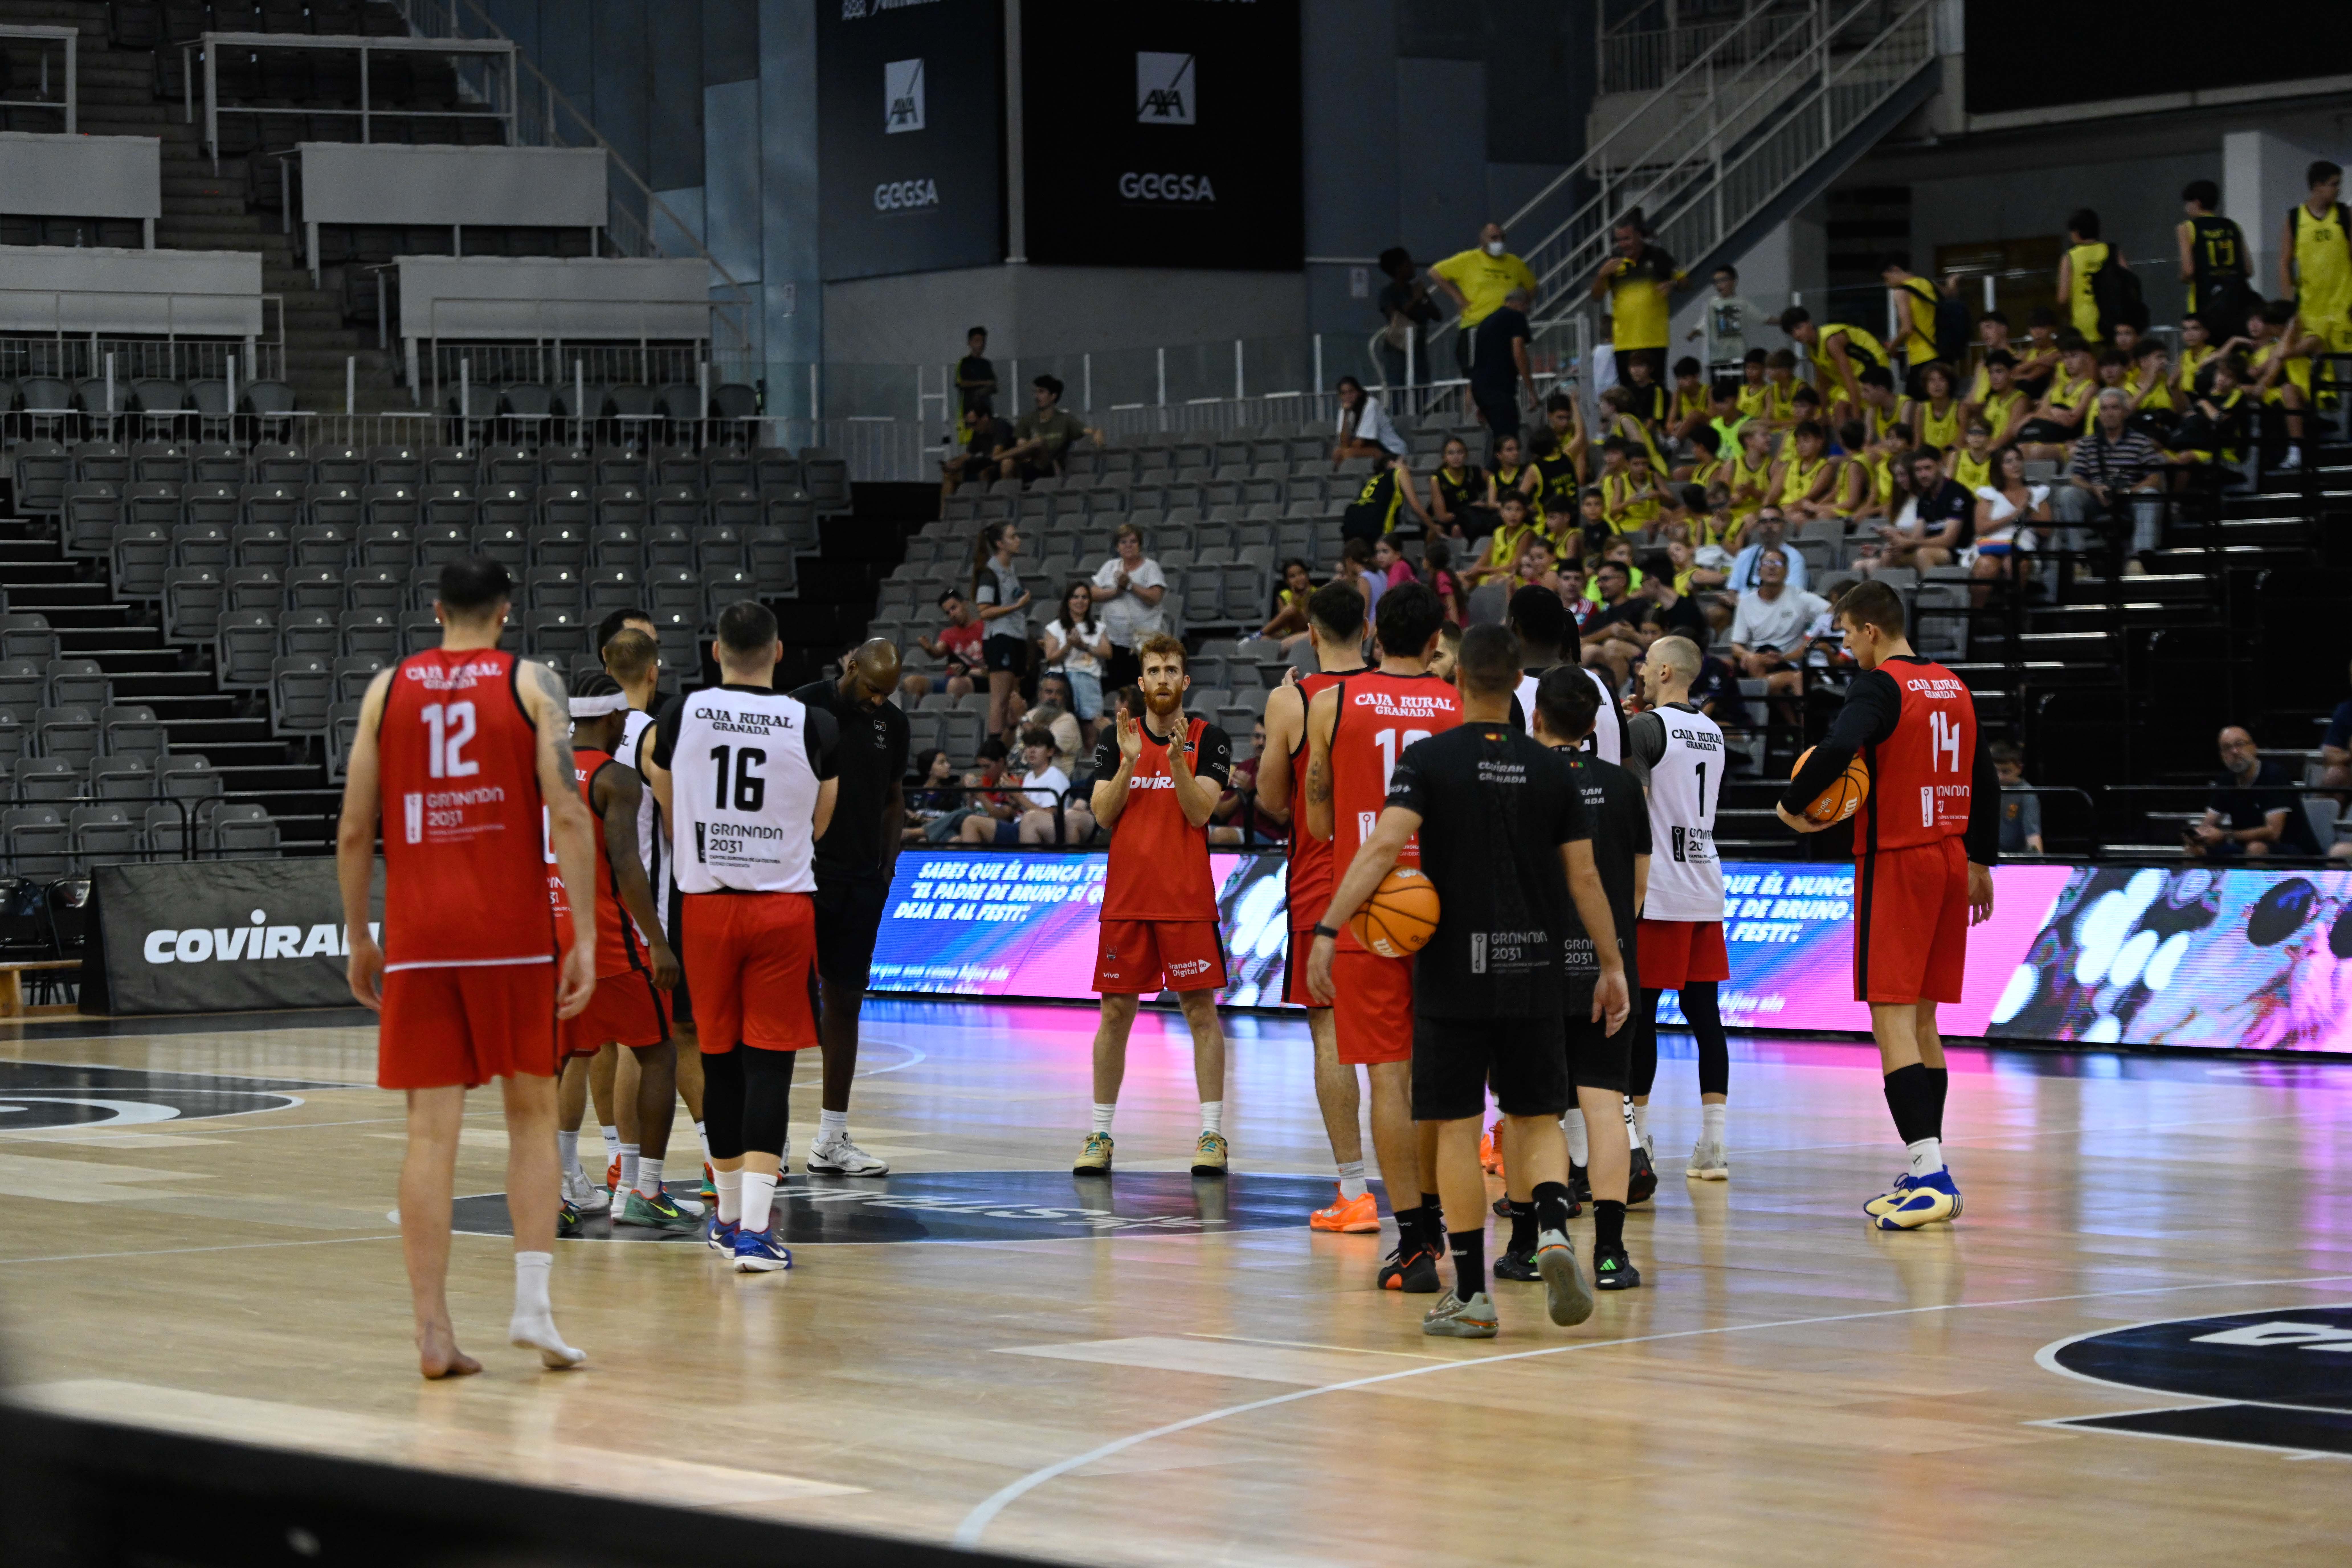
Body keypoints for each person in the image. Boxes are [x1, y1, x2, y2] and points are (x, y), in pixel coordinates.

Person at [1308, 625, 1629, 1337]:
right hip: (1538, 968)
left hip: (1455, 969)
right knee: (1533, 1116)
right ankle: (1548, 1224)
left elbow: (1384, 846)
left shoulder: (1429, 759)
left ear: (1458, 686)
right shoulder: (1553, 771)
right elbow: (1585, 879)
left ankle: (1474, 1296)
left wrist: (1329, 929)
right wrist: (1610, 966)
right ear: (1521, 686)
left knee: (1455, 1130)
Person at [336, 556, 596, 1378]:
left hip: (421, 936)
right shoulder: (532, 685)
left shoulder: (388, 688)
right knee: (532, 1115)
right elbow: (568, 812)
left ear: (438, 609)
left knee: (428, 1134)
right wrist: (583, 934)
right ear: (506, 614)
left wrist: (360, 937)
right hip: (512, 931)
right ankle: (533, 1308)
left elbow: (353, 827)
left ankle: (433, 1333)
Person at [1775, 580, 1996, 1231]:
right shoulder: (1954, 684)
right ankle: (1928, 1163)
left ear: (1871, 629)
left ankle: (1929, 1173)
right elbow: (1984, 775)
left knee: (1891, 1021)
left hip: (1898, 860)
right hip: (1952, 857)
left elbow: (1839, 749)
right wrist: (1981, 858)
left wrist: (1792, 805)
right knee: (1924, 1022)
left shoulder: (1880, 686)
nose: (1845, 646)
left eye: (1845, 633)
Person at [642, 601, 840, 1273]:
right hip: (782, 908)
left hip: (706, 909)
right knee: (769, 1067)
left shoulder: (678, 715)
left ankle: (727, 1220)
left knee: (720, 1062)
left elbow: (665, 796)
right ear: (779, 652)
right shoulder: (814, 722)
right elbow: (821, 821)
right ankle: (754, 1231)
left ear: (716, 650)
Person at [1301, 583, 1463, 1295]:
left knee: (1389, 1079)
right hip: (1448, 908)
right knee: (1447, 1080)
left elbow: (1313, 814)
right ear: (1436, 641)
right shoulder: (1459, 704)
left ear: (1372, 633)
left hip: (1370, 908)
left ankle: (1416, 1240)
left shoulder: (1331, 703)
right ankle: (1480, 1225)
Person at [1077, 635, 1234, 1175]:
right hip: (1126, 900)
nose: (1164, 678)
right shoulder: (1114, 736)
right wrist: (1126, 765)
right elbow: (1102, 813)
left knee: (1201, 1014)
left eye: (1172, 670)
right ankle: (1099, 1133)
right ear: (1141, 682)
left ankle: (1212, 1135)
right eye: (1154, 671)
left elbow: (1199, 813)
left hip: (1186, 900)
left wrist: (1179, 767)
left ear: (1185, 681)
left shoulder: (1209, 738)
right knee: (1115, 1014)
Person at [554, 671, 690, 1238]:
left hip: (551, 934)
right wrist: (658, 940)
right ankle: (646, 1190)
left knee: (566, 1056)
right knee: (658, 1052)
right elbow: (628, 866)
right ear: (614, 719)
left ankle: (559, 1188)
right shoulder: (616, 777)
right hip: (606, 936)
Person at [1256, 581, 1375, 1231]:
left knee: (1329, 1032)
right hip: (1398, 876)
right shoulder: (1398, 695)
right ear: (1367, 626)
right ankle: (1429, 1194)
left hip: (1322, 877)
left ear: (1307, 629)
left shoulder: (1292, 700)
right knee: (1399, 1040)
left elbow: (1274, 802)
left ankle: (1355, 1193)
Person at [1523, 665, 1644, 1283]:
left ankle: (1533, 1239)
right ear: (1597, 723)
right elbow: (1639, 888)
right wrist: (1611, 954)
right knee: (1605, 1104)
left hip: (1533, 965)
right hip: (1607, 962)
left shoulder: (1519, 780)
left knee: (1535, 1111)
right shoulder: (1624, 787)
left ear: (1536, 716)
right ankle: (1612, 1253)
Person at [787, 639, 908, 1179]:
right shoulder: (799, 707)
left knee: (845, 1003)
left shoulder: (894, 724)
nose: (879, 701)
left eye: (887, 694)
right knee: (786, 1007)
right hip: (802, 878)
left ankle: (831, 1138)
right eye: (872, 689)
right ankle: (766, 1139)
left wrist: (887, 869)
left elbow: (894, 797)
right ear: (850, 665)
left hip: (861, 881)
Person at [1619, 635, 1730, 1183]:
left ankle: (1637, 1140)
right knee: (1705, 1015)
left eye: (1644, 663)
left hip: (1658, 888)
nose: (1639, 671)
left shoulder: (1645, 727)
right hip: (1705, 883)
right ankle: (1713, 1145)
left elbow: (1636, 814)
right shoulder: (1713, 730)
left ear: (1664, 669)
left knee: (1641, 1014)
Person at [1504, 583, 1625, 763]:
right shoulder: (1601, 686)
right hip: (1608, 789)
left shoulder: (1512, 693)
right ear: (1563, 628)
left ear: (1513, 627)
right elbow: (1627, 767)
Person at [2187, 726, 2323, 860]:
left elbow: (2273, 833)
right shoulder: (2226, 781)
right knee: (2195, 850)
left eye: (2240, 744)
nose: (2235, 752)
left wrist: (2226, 836)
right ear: (2222, 756)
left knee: (2256, 849)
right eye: (2228, 748)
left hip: (2292, 850)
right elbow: (2208, 823)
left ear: (2254, 748)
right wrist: (2198, 835)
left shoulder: (2274, 776)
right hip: (2244, 846)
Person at [1428, 221, 1539, 380]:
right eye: (1494, 238)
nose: (1499, 242)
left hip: (1506, 329)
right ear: (1482, 241)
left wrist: (1523, 304)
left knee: (1506, 377)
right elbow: (1435, 273)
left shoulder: (1515, 263)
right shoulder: (1468, 259)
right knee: (1475, 379)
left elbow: (1533, 287)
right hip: (1477, 327)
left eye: (1502, 238)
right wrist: (1459, 298)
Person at [1591, 209, 1679, 387]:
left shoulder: (1658, 257)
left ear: (1639, 236)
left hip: (1654, 340)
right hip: (1624, 343)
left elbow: (1685, 282)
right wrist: (1601, 276)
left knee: (1656, 393)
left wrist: (1673, 284)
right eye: (1619, 240)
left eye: (1627, 239)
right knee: (1628, 396)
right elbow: (1596, 297)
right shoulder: (1613, 263)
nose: (1623, 244)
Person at [1728, 547, 1826, 703]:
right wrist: (1748, 655)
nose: (1773, 567)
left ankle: (1763, 716)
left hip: (1787, 661)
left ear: (1787, 572)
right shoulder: (1746, 603)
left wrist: (1811, 639)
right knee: (1745, 662)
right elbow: (1736, 645)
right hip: (1758, 659)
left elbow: (1833, 613)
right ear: (1759, 571)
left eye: (1779, 563)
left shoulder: (1800, 598)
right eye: (1768, 563)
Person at [961, 725, 1087, 843]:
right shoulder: (1029, 776)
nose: (1032, 751)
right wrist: (1013, 799)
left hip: (1035, 831)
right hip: (1018, 826)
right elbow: (1021, 808)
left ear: (1050, 752)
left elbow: (1050, 816)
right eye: (1028, 746)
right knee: (957, 839)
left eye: (1038, 746)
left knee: (971, 822)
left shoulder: (1055, 776)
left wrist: (1018, 794)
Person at [1866, 447, 1975, 574]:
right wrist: (1896, 536)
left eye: (1928, 468)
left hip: (1959, 551)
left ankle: (1936, 593)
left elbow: (1948, 540)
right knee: (1889, 555)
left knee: (1923, 554)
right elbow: (1917, 536)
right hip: (1932, 548)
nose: (1923, 475)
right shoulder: (1924, 498)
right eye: (1918, 470)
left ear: (1940, 466)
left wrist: (1910, 542)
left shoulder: (1956, 493)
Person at [2279, 160, 2350, 354]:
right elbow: (2285, 265)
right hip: (2310, 312)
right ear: (2319, 186)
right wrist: (2290, 307)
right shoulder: (2295, 218)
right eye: (2334, 184)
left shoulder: (2345, 215)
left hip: (2344, 308)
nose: (2338, 190)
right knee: (2315, 373)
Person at [970, 521, 1031, 739]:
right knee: (1000, 699)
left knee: (1013, 698)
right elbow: (984, 611)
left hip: (1016, 637)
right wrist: (1017, 606)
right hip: (1000, 639)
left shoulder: (1010, 571)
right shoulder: (990, 574)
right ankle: (993, 748)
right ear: (1000, 544)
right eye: (1013, 536)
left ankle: (1008, 748)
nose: (1018, 540)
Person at [1091, 523, 1168, 692]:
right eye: (1124, 542)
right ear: (1118, 547)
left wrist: (1131, 585)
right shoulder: (1110, 566)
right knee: (1120, 687)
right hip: (1115, 639)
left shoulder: (1150, 567)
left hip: (1144, 641)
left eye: (1133, 542)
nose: (1128, 546)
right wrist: (1116, 592)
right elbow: (1093, 594)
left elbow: (1155, 598)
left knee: (1144, 687)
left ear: (1140, 545)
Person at [2177, 181, 2253, 342]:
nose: (2185, 209)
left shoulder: (2187, 228)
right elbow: (2248, 270)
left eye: (2187, 203)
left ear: (2196, 203)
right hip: (2237, 302)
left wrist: (2182, 278)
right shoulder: (2233, 226)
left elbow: (2189, 271)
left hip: (2205, 301)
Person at [1470, 287, 1538, 456]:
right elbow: (1519, 352)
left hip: (1482, 389)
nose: (1527, 313)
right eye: (1528, 308)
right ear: (1522, 304)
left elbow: (1480, 360)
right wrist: (1531, 390)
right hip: (1499, 390)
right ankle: (1500, 478)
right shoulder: (1516, 318)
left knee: (1500, 440)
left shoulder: (1487, 322)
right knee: (1509, 442)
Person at [1040, 580, 1111, 745]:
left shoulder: (1099, 628)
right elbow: (1051, 658)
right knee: (1058, 724)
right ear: (1068, 601)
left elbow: (1108, 653)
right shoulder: (1055, 627)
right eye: (1076, 597)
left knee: (1090, 727)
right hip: (1062, 680)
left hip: (1089, 681)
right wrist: (1069, 645)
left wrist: (1083, 646)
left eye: (1085, 598)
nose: (1080, 601)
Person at [996, 374, 1101, 482]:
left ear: (1053, 396)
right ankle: (1011, 496)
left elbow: (1088, 431)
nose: (1037, 397)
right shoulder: (1027, 420)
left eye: (1042, 392)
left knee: (1039, 441)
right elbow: (1021, 445)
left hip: (1051, 467)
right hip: (1029, 464)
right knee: (1007, 463)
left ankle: (995, 458)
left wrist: (1097, 433)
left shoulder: (1065, 420)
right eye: (1036, 392)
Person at [1376, 245, 1442, 387]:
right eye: (1408, 263)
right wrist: (1415, 300)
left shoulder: (1416, 290)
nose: (1413, 267)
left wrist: (1425, 298)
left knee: (1421, 389)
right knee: (1398, 391)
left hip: (1419, 350)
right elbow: (1395, 316)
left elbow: (1438, 316)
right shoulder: (1389, 293)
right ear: (1399, 269)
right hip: (1397, 349)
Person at [2056, 208, 2124, 344]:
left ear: (2076, 232)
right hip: (2113, 320)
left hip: (2083, 323)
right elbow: (2128, 282)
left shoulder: (2070, 258)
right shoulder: (2112, 251)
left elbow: (2063, 298)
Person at [901, 588, 981, 701]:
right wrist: (929, 648)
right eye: (948, 612)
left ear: (965, 604)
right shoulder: (948, 634)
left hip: (975, 679)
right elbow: (938, 652)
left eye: (954, 608)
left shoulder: (984, 627)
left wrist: (968, 672)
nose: (952, 615)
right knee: (911, 683)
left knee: (955, 684)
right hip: (950, 680)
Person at [1689, 263, 1766, 375]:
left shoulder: (1742, 303)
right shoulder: (1712, 303)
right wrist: (1695, 332)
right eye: (1716, 282)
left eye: (1723, 280)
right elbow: (1705, 323)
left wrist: (1779, 321)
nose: (1719, 285)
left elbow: (1761, 317)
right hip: (1717, 357)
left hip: (1738, 355)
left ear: (1733, 281)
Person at [1882, 255, 1945, 388]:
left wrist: (1892, 347)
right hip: (1941, 352)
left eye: (1886, 279)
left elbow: (1907, 328)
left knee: (1918, 404)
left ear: (1896, 270)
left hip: (1921, 358)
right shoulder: (1929, 283)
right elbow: (1949, 293)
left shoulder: (1901, 292)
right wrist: (1952, 282)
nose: (1887, 284)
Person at [1333, 374, 1409, 463]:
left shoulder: (1371, 405)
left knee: (1348, 454)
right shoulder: (1344, 410)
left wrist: (1347, 448)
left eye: (1351, 392)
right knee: (1337, 453)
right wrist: (1346, 415)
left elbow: (1360, 443)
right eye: (1344, 393)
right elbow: (1344, 444)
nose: (1348, 396)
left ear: (1359, 392)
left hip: (1391, 450)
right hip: (1369, 449)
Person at [1426, 436, 1490, 540]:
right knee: (1438, 530)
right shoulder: (1437, 479)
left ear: (1466, 455)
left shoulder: (1474, 472)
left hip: (1472, 517)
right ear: (1444, 457)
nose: (1456, 457)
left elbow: (1495, 480)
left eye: (1460, 452)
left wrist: (1490, 502)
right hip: (1450, 520)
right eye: (1451, 453)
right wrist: (1470, 507)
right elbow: (1443, 517)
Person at [1990, 740, 2044, 856]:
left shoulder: (2027, 794)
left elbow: (2033, 835)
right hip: (1989, 856)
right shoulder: (1986, 788)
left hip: (2016, 858)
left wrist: (2038, 861)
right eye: (1995, 771)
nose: (1999, 777)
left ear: (2019, 768)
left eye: (2006, 772)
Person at [954, 326, 997, 419]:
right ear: (970, 343)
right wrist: (984, 384)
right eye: (977, 341)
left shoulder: (987, 364)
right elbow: (962, 383)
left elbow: (994, 385)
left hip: (986, 414)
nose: (981, 345)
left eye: (983, 341)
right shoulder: (964, 363)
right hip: (969, 414)